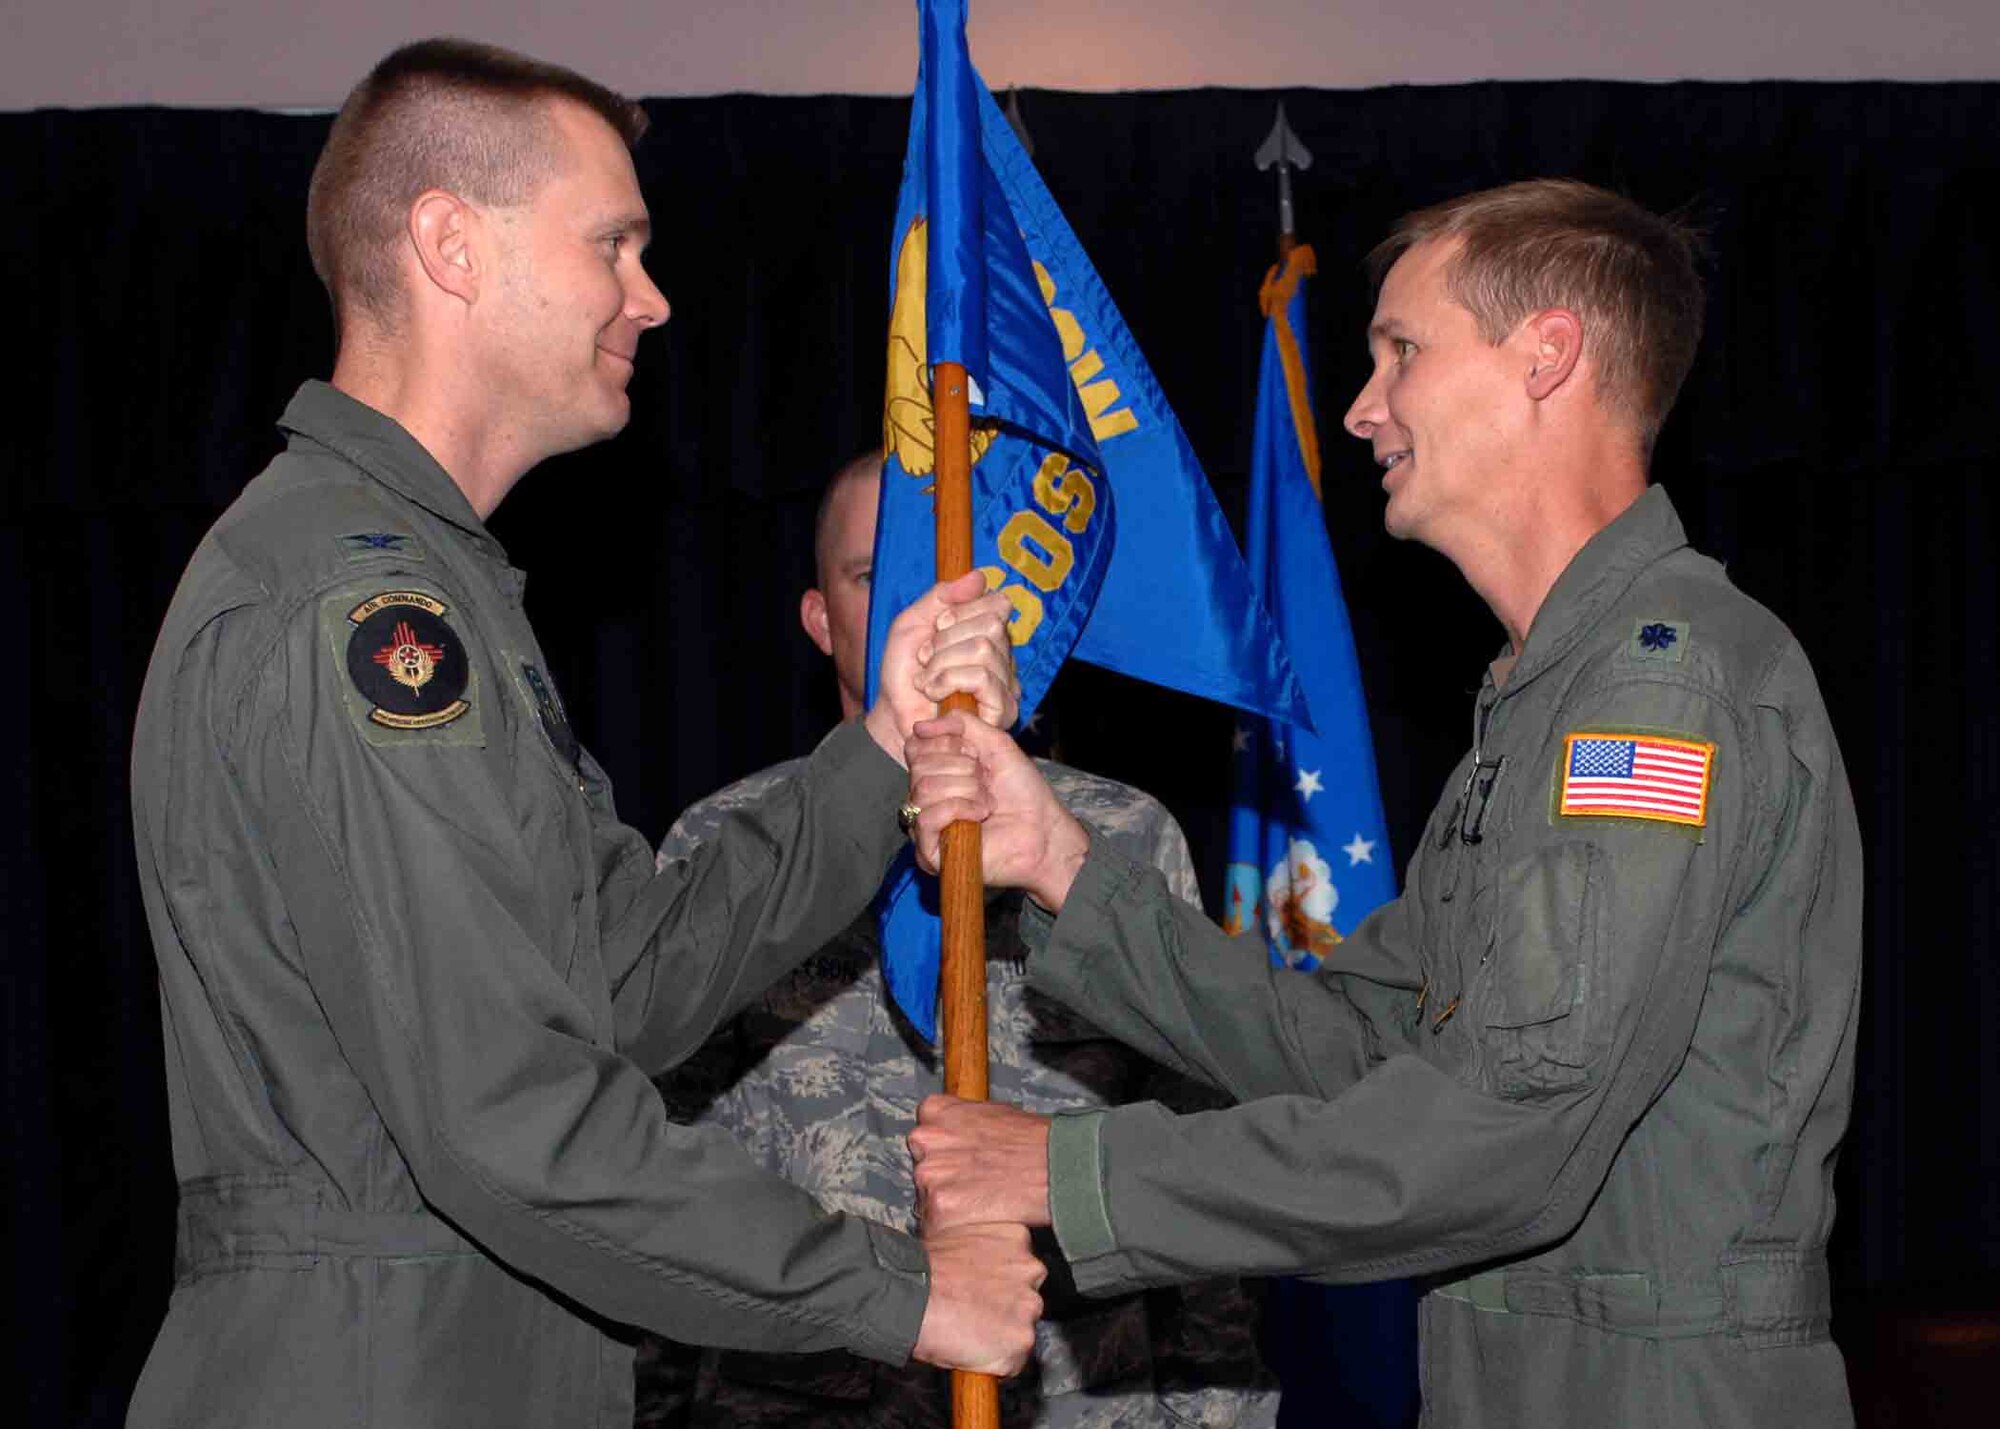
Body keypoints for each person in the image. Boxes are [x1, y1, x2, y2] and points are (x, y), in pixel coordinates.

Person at [126, 39, 1044, 1429]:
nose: (651, 298)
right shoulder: (361, 610)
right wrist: (901, 1292)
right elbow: (514, 1117)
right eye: (613, 245)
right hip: (381, 1375)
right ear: (450, 242)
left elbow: (624, 978)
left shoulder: (433, 587)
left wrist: (878, 745)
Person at [901, 179, 1863, 1427]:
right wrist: (1064, 865)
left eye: (1400, 351)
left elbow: (1506, 1135)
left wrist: (1069, 1169)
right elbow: (1356, 1056)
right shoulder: (1541, 701)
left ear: (1545, 356)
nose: (1359, 409)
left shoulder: (1654, 689)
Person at [634, 455, 1277, 1428]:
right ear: (818, 620)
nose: (916, 607)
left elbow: (1201, 1171)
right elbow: (660, 1187)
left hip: (1070, 1400)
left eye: (946, 578)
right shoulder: (728, 848)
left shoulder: (1113, 841)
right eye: (869, 577)